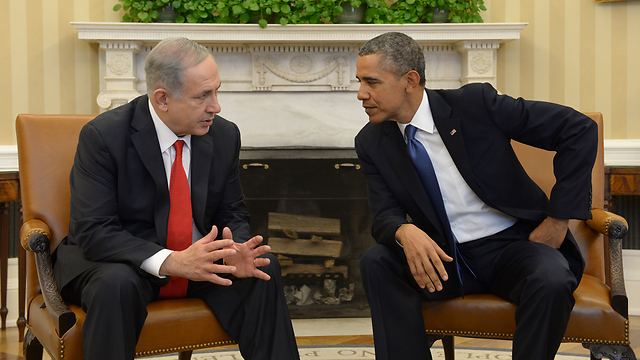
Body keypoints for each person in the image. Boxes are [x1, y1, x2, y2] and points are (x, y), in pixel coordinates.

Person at [53, 37, 300, 360]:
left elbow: (232, 211)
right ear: (162, 99)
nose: (216, 106)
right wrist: (171, 261)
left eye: (216, 91)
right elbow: (93, 230)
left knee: (262, 272)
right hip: (123, 262)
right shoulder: (104, 137)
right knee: (115, 284)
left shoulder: (223, 135)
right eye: (203, 96)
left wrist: (235, 247)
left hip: (197, 264)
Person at [354, 32, 597, 360]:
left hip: (513, 247)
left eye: (371, 82)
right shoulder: (372, 141)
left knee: (552, 279)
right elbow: (384, 213)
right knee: (376, 261)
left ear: (410, 80)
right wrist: (404, 230)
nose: (361, 94)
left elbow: (578, 129)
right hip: (444, 260)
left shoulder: (474, 105)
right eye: (359, 82)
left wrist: (558, 218)